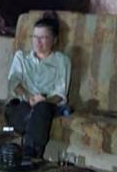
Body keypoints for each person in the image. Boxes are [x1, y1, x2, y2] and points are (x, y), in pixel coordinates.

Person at [5, 12, 72, 159]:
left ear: (54, 40)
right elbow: (13, 82)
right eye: (35, 37)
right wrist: (28, 96)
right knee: (17, 110)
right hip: (24, 103)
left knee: (41, 110)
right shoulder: (21, 57)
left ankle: (30, 155)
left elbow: (60, 93)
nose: (37, 42)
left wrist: (44, 101)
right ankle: (31, 154)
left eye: (43, 38)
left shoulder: (62, 61)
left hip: (47, 104)